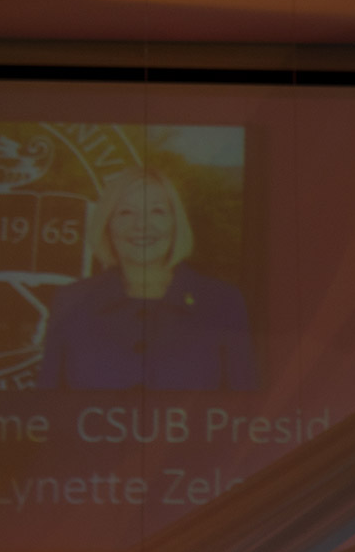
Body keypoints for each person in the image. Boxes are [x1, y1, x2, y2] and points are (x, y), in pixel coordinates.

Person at [37, 166, 257, 391]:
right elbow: (49, 409)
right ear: (107, 225)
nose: (141, 225)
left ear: (175, 222)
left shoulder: (224, 302)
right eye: (125, 212)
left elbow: (245, 410)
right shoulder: (70, 300)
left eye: (157, 212)